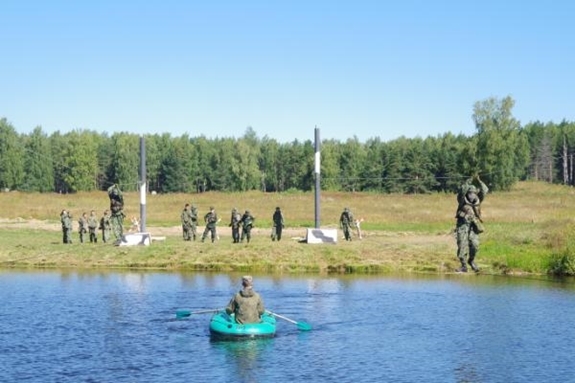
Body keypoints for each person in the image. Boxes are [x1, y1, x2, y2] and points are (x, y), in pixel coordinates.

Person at [455, 175, 488, 273]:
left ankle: (471, 261)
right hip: (462, 225)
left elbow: (485, 190)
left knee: (475, 244)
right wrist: (470, 179)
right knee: (462, 244)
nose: (471, 195)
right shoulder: (462, 199)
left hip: (474, 226)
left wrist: (478, 180)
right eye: (469, 193)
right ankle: (463, 265)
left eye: (473, 193)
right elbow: (463, 189)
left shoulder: (478, 200)